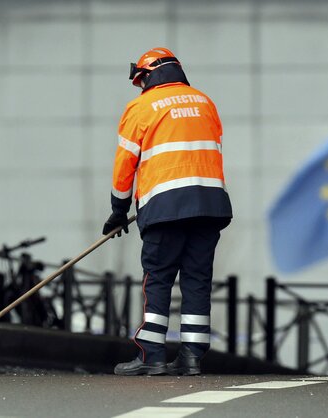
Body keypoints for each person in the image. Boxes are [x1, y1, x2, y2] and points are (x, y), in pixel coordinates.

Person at [104, 47, 232, 376]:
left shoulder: (141, 107)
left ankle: (152, 357)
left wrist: (119, 209)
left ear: (148, 75)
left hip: (165, 206)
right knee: (197, 280)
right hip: (209, 203)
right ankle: (191, 358)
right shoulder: (204, 102)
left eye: (141, 80)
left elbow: (125, 164)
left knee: (158, 279)